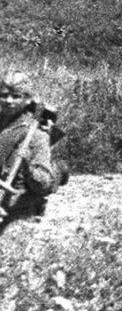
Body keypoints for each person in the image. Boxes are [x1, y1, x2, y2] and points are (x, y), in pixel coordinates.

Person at [0, 71, 60, 223]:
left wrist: (27, 165)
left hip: (15, 205)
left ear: (27, 100)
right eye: (4, 95)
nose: (8, 101)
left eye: (16, 96)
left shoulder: (36, 135)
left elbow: (44, 184)